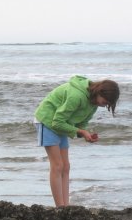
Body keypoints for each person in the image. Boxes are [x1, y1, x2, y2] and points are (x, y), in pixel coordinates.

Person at [34, 75, 120, 207]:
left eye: (107, 105)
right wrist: (81, 132)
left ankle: (65, 206)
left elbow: (82, 122)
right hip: (47, 121)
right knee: (57, 166)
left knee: (66, 166)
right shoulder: (76, 96)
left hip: (62, 124)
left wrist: (86, 134)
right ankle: (60, 207)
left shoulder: (93, 104)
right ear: (99, 92)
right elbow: (56, 122)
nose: (104, 106)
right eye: (105, 102)